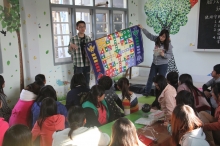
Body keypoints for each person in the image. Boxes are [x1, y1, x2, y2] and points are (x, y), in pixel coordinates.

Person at [138, 25, 173, 97]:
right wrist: (142, 28)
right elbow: (149, 35)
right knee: (151, 78)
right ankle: (147, 92)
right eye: (161, 36)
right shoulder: (157, 39)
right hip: (155, 63)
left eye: (163, 37)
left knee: (161, 80)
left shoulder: (168, 45)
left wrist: (164, 55)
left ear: (166, 38)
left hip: (163, 65)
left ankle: (161, 94)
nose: (161, 38)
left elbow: (170, 55)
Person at [68, 20, 92, 87]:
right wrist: (71, 46)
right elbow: (69, 52)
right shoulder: (73, 39)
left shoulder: (88, 38)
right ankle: (77, 95)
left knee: (87, 81)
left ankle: (87, 94)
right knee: (77, 82)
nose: (82, 28)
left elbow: (91, 51)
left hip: (87, 64)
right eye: (80, 27)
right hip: (78, 64)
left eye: (83, 27)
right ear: (77, 28)